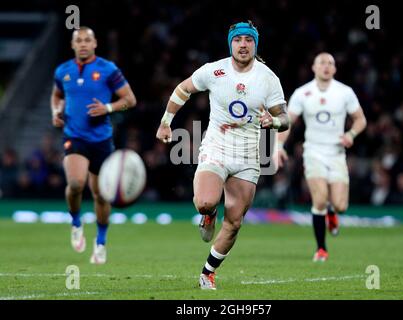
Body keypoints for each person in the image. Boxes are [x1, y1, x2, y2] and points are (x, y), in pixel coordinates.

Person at [156, 21, 289, 289]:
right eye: (238, 39)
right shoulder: (214, 71)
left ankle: (208, 273)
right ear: (231, 44)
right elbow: (183, 89)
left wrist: (273, 123)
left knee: (235, 222)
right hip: (217, 147)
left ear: (255, 44)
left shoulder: (268, 78)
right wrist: (166, 121)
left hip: (248, 155)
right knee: (205, 202)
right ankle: (208, 214)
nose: (243, 44)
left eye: (248, 40)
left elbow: (284, 119)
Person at [51, 27, 137, 264]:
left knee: (101, 195)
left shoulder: (108, 69)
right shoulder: (63, 71)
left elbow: (130, 100)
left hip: (101, 140)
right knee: (76, 184)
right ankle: (76, 221)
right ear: (72, 45)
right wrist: (55, 111)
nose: (83, 44)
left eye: (87, 40)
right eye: (78, 40)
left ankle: (100, 242)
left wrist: (107, 108)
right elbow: (57, 96)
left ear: (95, 43)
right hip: (74, 136)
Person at [276, 52, 367, 262]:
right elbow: (288, 122)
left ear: (334, 69)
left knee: (341, 205)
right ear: (314, 68)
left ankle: (333, 214)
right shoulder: (303, 93)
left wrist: (351, 134)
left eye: (330, 63)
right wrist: (279, 145)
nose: (326, 66)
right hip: (313, 152)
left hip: (336, 153)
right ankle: (321, 249)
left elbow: (360, 120)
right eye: (322, 63)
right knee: (319, 200)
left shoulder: (345, 92)